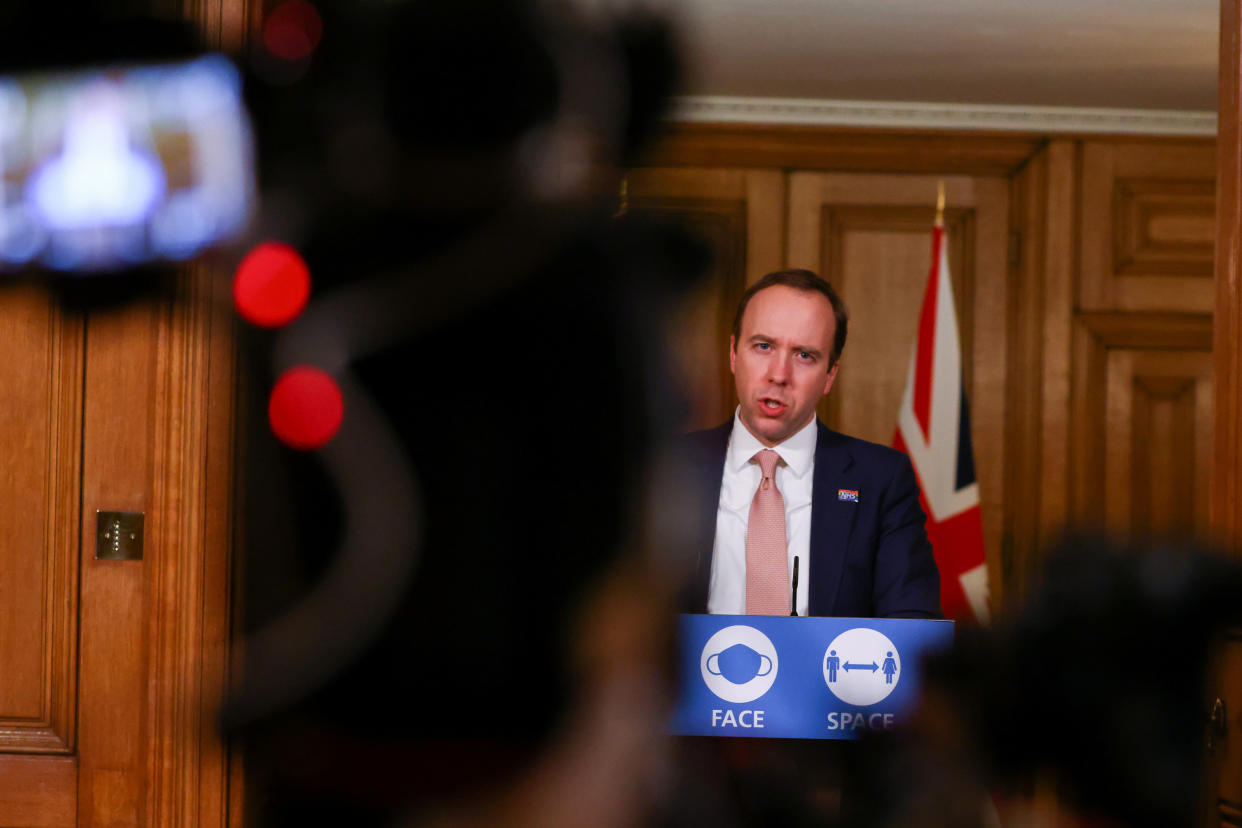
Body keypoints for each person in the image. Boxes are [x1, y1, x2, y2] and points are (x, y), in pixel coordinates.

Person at [682, 268, 941, 617]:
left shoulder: (881, 481)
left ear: (830, 375)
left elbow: (913, 626)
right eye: (763, 346)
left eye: (804, 355)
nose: (779, 375)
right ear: (733, 353)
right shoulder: (668, 467)